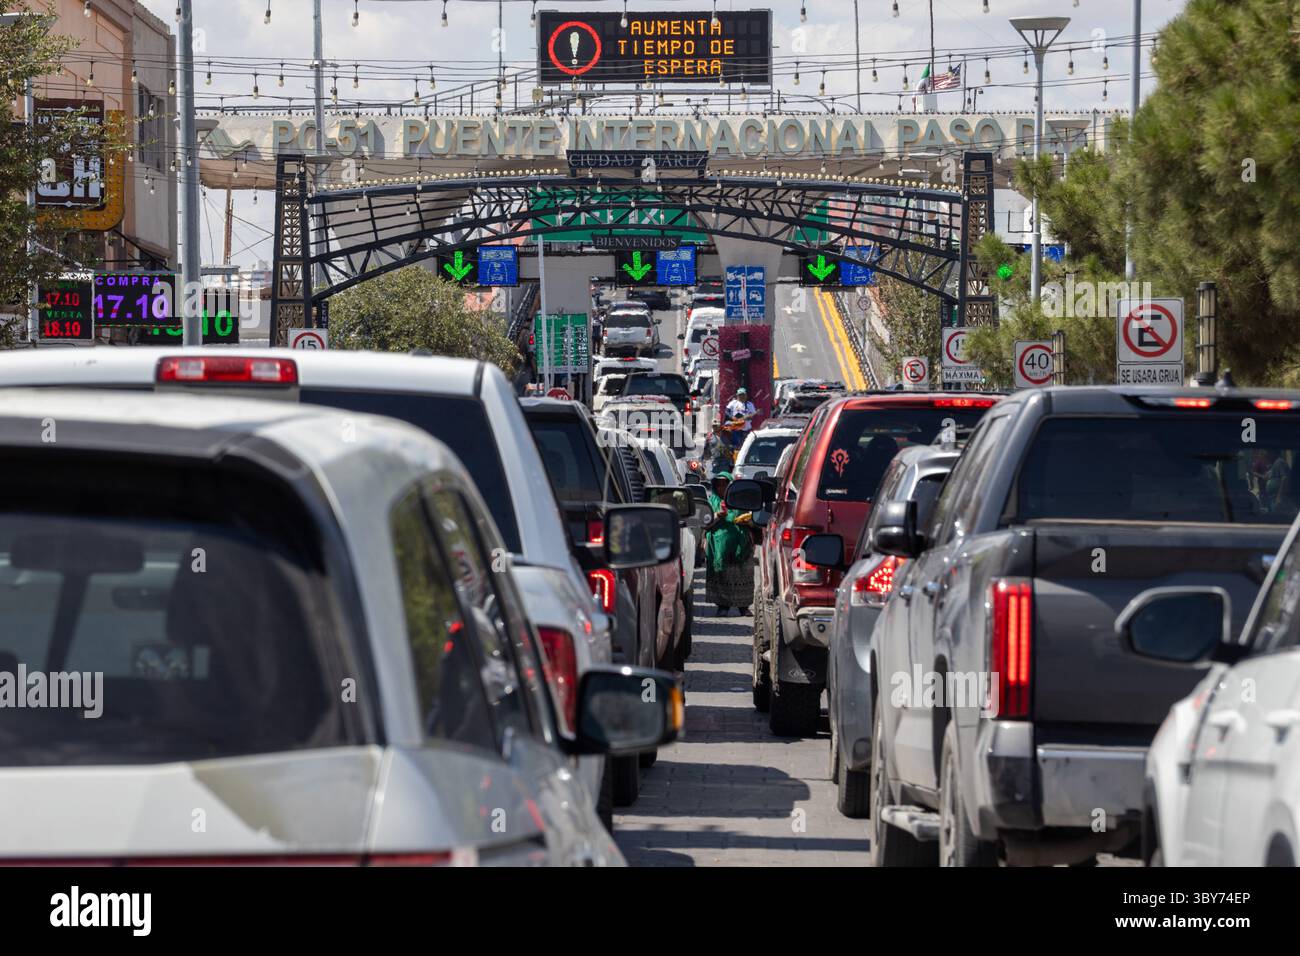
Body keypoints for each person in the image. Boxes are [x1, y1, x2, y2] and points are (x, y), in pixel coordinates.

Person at [704, 472, 755, 616]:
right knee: (722, 576)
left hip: (741, 545)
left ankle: (743, 607)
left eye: (725, 484)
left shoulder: (740, 500)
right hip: (719, 546)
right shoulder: (712, 502)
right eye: (719, 484)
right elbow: (705, 523)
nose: (722, 487)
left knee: (742, 574)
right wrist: (718, 516)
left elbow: (753, 520)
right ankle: (723, 607)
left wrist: (747, 521)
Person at [723, 387, 757, 451]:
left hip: (746, 429)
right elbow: (727, 411)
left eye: (743, 395)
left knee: (745, 446)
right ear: (737, 395)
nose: (741, 396)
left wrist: (747, 417)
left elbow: (753, 415)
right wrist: (732, 417)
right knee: (736, 446)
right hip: (736, 429)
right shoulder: (733, 403)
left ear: (746, 395)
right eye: (740, 395)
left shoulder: (750, 404)